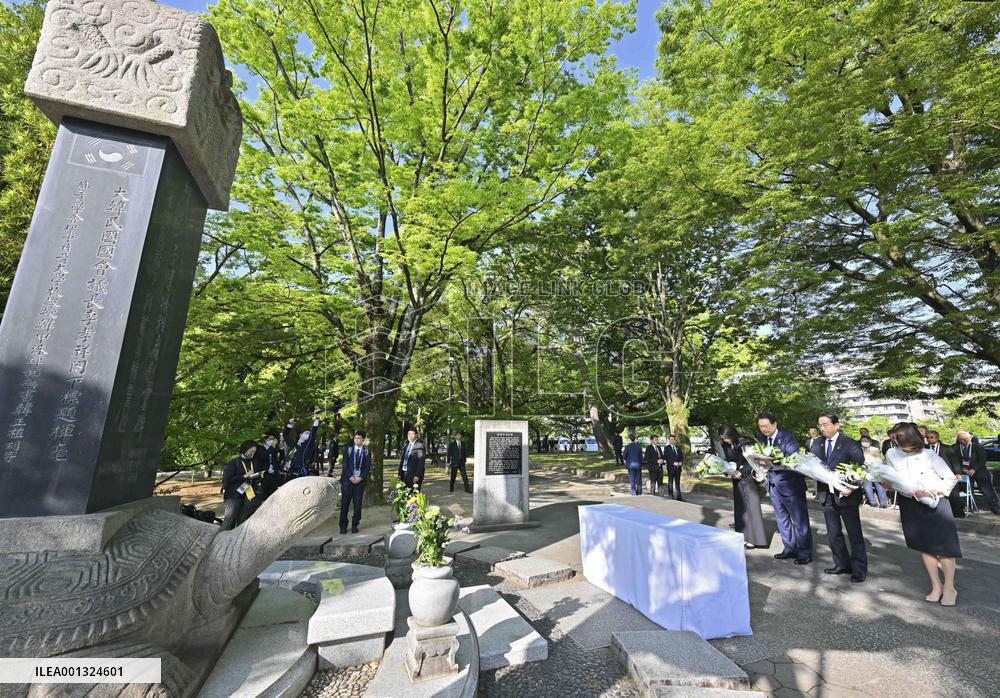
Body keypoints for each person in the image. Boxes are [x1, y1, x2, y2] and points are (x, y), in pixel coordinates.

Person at [883, 423, 961, 605]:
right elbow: (893, 478)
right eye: (903, 446)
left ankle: (950, 587)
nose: (908, 450)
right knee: (925, 546)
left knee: (945, 548)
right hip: (910, 503)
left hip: (935, 503)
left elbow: (950, 479)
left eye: (910, 446)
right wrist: (887, 482)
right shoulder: (891, 454)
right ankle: (936, 586)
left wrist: (934, 490)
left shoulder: (929, 455)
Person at [811, 413, 868, 583]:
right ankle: (841, 564)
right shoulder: (817, 443)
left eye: (826, 424)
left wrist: (851, 486)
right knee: (833, 532)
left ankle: (859, 569)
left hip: (846, 494)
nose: (822, 428)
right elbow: (813, 464)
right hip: (826, 494)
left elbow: (860, 468)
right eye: (820, 425)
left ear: (836, 425)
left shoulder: (849, 443)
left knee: (854, 532)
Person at [757, 410, 813, 564]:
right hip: (773, 485)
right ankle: (789, 548)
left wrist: (772, 462)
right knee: (782, 519)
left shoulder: (788, 438)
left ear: (775, 424)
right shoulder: (762, 438)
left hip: (791, 484)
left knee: (799, 520)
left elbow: (793, 460)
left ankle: (804, 552)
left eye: (766, 426)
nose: (764, 429)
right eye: (761, 427)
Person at [718, 425, 767, 549]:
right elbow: (727, 460)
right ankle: (742, 536)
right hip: (736, 479)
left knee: (752, 508)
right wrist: (726, 470)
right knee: (740, 509)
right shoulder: (725, 445)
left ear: (732, 434)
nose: (725, 440)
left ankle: (755, 539)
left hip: (748, 478)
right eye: (723, 438)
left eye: (727, 438)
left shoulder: (744, 442)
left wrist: (742, 471)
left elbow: (753, 461)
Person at [956, 431, 1000, 515]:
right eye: (961, 439)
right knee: (968, 490)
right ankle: (971, 507)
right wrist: (963, 469)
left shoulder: (978, 447)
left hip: (979, 471)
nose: (964, 441)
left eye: (966, 439)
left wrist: (974, 469)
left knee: (988, 491)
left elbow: (982, 460)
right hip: (964, 472)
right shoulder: (956, 448)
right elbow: (954, 460)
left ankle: (996, 507)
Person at [221, 440, 262, 530]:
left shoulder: (254, 462)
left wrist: (256, 476)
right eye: (251, 451)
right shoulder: (234, 463)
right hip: (233, 495)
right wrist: (244, 476)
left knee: (242, 521)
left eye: (254, 452)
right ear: (244, 450)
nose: (252, 454)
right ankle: (220, 539)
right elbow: (228, 479)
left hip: (247, 493)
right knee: (229, 520)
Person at [337, 430, 371, 534]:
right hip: (348, 481)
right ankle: (343, 525)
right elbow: (345, 465)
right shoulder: (348, 449)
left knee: (357, 504)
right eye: (355, 438)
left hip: (360, 482)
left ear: (363, 439)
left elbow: (367, 466)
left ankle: (355, 524)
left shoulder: (366, 451)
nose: (357, 440)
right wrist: (351, 476)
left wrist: (361, 477)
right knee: (345, 504)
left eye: (359, 438)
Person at [927, 430, 965, 518]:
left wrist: (957, 473)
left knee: (953, 494)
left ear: (937, 438)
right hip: (933, 475)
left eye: (931, 437)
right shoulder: (925, 449)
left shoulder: (947, 448)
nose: (929, 439)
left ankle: (959, 513)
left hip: (948, 474)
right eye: (927, 438)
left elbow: (954, 461)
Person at [282, 412, 322, 480]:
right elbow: (285, 435)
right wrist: (290, 424)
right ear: (301, 435)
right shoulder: (294, 444)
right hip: (288, 472)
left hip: (300, 474)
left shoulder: (308, 445)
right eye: (306, 433)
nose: (308, 435)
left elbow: (313, 433)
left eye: (309, 434)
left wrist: (317, 418)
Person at [859, 434, 888, 508]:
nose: (864, 442)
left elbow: (880, 460)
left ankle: (883, 503)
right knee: (867, 488)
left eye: (866, 441)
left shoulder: (876, 449)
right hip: (865, 471)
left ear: (870, 442)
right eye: (863, 441)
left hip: (876, 470)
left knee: (880, 488)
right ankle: (873, 502)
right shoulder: (859, 450)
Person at [254, 432, 284, 500]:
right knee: (263, 494)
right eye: (270, 439)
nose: (272, 440)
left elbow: (282, 458)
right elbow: (263, 457)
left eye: (273, 439)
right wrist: (271, 447)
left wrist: (281, 449)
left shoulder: (274, 448)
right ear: (265, 440)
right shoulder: (260, 449)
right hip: (264, 474)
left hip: (274, 474)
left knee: (273, 494)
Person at [664, 434, 685, 501]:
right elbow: (666, 457)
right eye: (671, 439)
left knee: (677, 483)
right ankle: (671, 495)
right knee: (670, 482)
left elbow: (681, 457)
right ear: (669, 440)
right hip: (671, 468)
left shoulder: (678, 448)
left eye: (673, 439)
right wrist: (673, 462)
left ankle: (679, 497)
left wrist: (681, 462)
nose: (672, 441)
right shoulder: (667, 448)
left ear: (675, 440)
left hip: (678, 468)